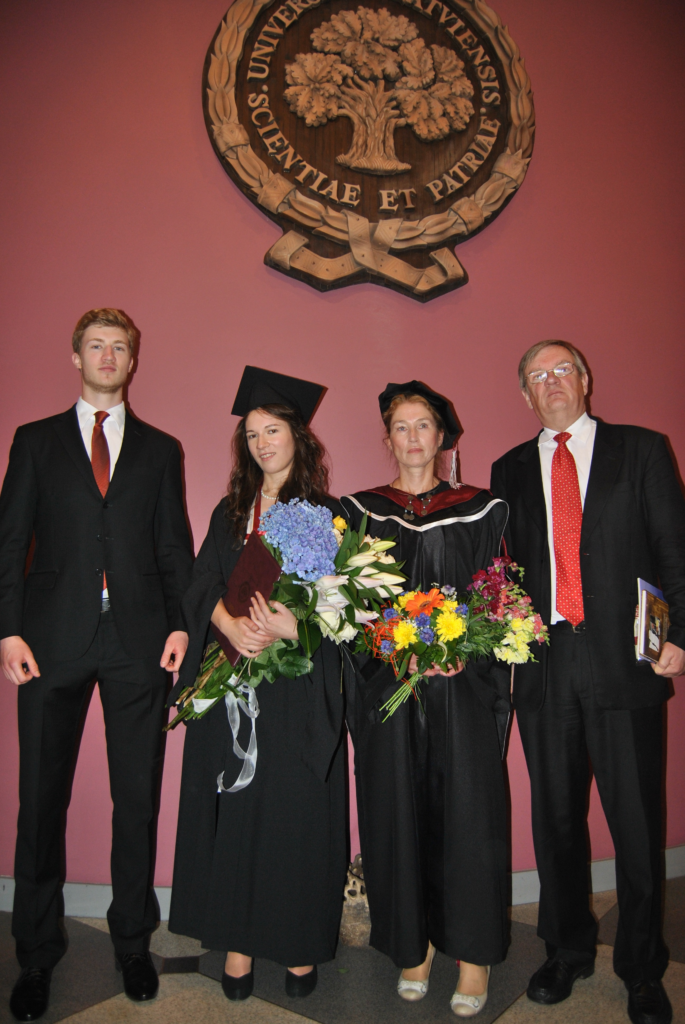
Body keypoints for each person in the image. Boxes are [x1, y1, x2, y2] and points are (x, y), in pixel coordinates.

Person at [0, 308, 194, 1022]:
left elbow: (173, 544)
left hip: (138, 643)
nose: (108, 355)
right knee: (40, 803)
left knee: (136, 801)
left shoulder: (160, 449)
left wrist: (181, 625)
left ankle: (132, 942)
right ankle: (35, 954)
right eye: (95, 345)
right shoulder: (35, 441)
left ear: (132, 361)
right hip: (49, 641)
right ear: (76, 357)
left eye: (119, 346)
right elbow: (9, 539)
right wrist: (7, 632)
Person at [490, 340, 685, 1024]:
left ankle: (642, 968)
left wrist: (679, 634)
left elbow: (674, 549)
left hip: (627, 663)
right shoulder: (509, 468)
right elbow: (504, 572)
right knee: (555, 824)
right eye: (536, 376)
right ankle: (567, 950)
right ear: (525, 395)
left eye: (562, 369)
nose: (551, 382)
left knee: (636, 825)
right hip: (544, 668)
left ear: (585, 378)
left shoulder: (642, 449)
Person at [167, 366, 348, 1002]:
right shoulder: (230, 514)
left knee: (294, 813)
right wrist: (225, 622)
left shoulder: (327, 515)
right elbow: (201, 582)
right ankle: (238, 944)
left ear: (298, 435)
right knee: (237, 813)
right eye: (251, 434)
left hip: (295, 688)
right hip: (231, 679)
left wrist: (291, 625)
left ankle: (298, 944)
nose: (262, 443)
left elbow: (344, 607)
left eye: (272, 430)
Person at [341, 381, 511, 1018]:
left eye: (423, 425)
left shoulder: (483, 509)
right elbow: (347, 609)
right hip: (390, 687)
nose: (412, 437)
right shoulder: (361, 512)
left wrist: (467, 647)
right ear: (387, 439)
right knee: (396, 811)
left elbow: (499, 593)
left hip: (463, 688)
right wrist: (393, 648)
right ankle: (414, 949)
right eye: (401, 427)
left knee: (470, 813)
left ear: (443, 436)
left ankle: (473, 956)